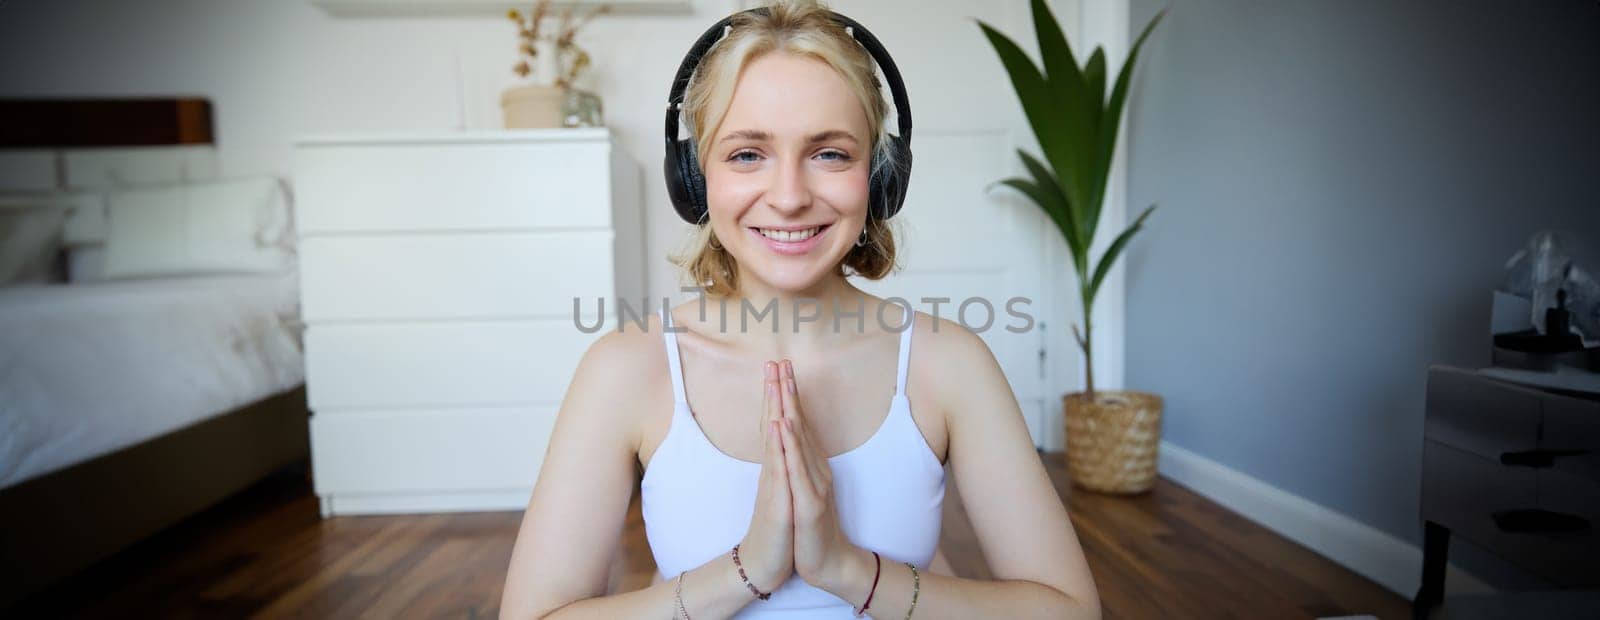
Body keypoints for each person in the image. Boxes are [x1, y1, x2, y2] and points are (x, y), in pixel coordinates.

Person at [500, 1, 1099, 618]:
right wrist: (747, 570)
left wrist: (847, 571)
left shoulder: (950, 364)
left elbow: (1071, 610)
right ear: (695, 177)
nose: (788, 197)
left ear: (881, 176)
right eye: (746, 154)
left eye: (830, 153)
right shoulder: (626, 368)